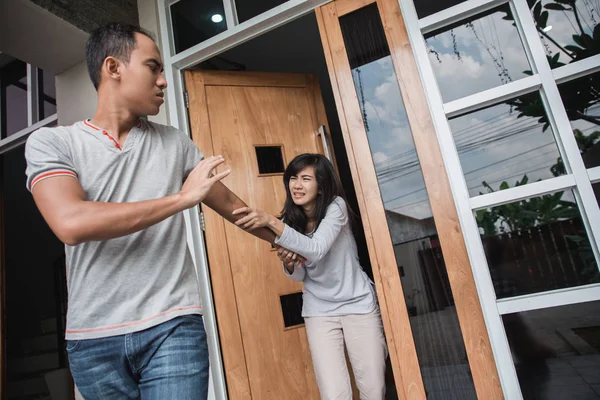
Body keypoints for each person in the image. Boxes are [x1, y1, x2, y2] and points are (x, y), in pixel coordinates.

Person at [24, 23, 281, 400]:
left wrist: (289, 241)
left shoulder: (175, 143)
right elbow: (71, 223)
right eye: (153, 67)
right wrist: (180, 200)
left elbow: (232, 207)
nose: (163, 81)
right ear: (113, 68)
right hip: (93, 341)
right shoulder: (53, 143)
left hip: (172, 325)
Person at [233, 153, 388, 399]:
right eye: (293, 178)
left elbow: (315, 249)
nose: (297, 185)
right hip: (319, 310)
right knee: (333, 394)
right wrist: (289, 263)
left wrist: (272, 222)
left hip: (358, 304)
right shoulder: (288, 222)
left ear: (321, 185)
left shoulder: (336, 208)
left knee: (373, 389)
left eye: (306, 178)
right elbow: (301, 275)